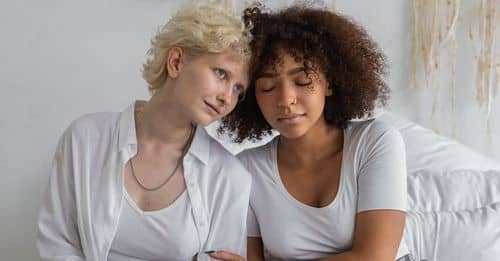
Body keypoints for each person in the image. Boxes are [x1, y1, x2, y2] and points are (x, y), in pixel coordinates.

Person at [37, 2, 252, 260]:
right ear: (176, 62)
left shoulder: (230, 177)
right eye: (221, 74)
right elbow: (57, 243)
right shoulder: (84, 139)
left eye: (238, 89)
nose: (227, 98)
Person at [221, 4, 412, 261]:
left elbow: (375, 257)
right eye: (267, 87)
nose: (286, 99)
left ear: (330, 83)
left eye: (302, 82)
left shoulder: (375, 142)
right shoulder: (246, 169)